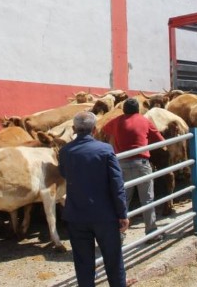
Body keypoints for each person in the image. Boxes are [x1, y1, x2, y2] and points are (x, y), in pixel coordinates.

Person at [58, 112, 134, 287]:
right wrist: (122, 213)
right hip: (105, 215)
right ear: (95, 129)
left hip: (76, 215)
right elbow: (117, 184)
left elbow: (64, 173)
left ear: (73, 129)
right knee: (113, 259)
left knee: (83, 263)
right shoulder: (105, 150)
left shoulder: (65, 151)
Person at [101, 97, 164, 242]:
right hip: (141, 164)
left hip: (121, 164)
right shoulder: (144, 120)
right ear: (138, 109)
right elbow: (161, 141)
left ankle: (120, 235)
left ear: (123, 109)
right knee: (147, 200)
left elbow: (104, 129)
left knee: (123, 201)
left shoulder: (116, 121)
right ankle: (151, 233)